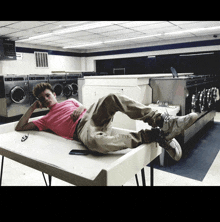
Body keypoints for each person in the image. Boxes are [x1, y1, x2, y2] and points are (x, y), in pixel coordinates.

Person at [15, 82, 199, 161]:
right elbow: (20, 127)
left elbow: (86, 108)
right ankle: (155, 135)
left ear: (53, 94)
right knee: (95, 143)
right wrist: (32, 108)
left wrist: (82, 107)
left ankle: (163, 121)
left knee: (111, 98)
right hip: (82, 131)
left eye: (48, 95)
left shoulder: (70, 101)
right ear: (40, 102)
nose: (46, 99)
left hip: (90, 117)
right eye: (42, 98)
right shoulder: (45, 119)